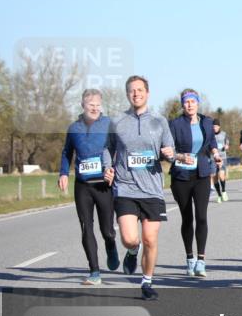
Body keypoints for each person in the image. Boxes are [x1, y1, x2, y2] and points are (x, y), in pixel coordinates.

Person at [103, 75, 176, 301]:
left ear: (147, 93)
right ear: (127, 94)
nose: (136, 94)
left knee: (150, 240)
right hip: (125, 188)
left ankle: (147, 282)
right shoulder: (117, 122)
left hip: (152, 189)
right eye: (132, 91)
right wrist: (108, 167)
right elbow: (107, 148)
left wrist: (169, 153)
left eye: (140, 90)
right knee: (130, 239)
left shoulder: (159, 121)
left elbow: (170, 147)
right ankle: (132, 252)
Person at [59, 88, 118, 285]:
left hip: (103, 185)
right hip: (83, 185)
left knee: (107, 230)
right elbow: (67, 152)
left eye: (97, 105)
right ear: (82, 105)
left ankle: (111, 245)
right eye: (90, 104)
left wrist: (113, 169)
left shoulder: (109, 124)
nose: (94, 108)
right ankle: (94, 272)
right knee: (86, 228)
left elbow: (118, 150)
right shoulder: (73, 128)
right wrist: (64, 174)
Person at [170, 89, 222, 278]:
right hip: (181, 176)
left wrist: (216, 154)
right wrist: (178, 156)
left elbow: (212, 142)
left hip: (201, 174)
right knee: (187, 218)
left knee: (201, 216)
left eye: (193, 101)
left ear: (198, 103)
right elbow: (167, 148)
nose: (190, 105)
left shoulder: (207, 122)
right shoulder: (175, 124)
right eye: (186, 102)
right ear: (182, 105)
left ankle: (201, 260)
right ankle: (189, 259)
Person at [210, 118, 230, 203]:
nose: (214, 128)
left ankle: (224, 191)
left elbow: (227, 143)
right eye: (213, 126)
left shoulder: (224, 134)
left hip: (222, 158)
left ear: (219, 126)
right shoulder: (210, 135)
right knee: (214, 177)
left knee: (221, 176)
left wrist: (226, 146)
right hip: (212, 158)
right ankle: (219, 195)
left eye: (216, 126)